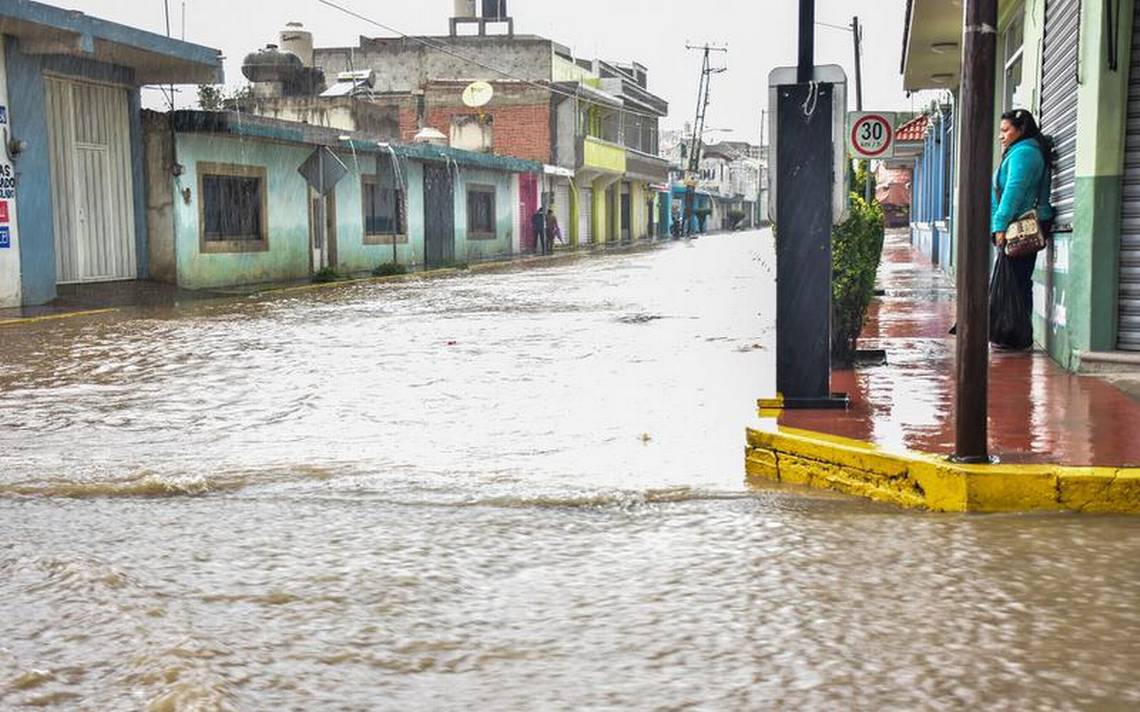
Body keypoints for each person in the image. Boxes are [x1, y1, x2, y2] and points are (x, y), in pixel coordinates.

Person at [989, 108, 1054, 350]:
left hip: (1018, 229)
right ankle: (1014, 334)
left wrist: (999, 225)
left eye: (1005, 130)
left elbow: (1013, 193)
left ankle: (1016, 336)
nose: (1001, 136)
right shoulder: (1020, 152)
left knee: (1015, 283)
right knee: (1015, 282)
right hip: (1017, 227)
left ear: (1021, 129)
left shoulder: (1025, 154)